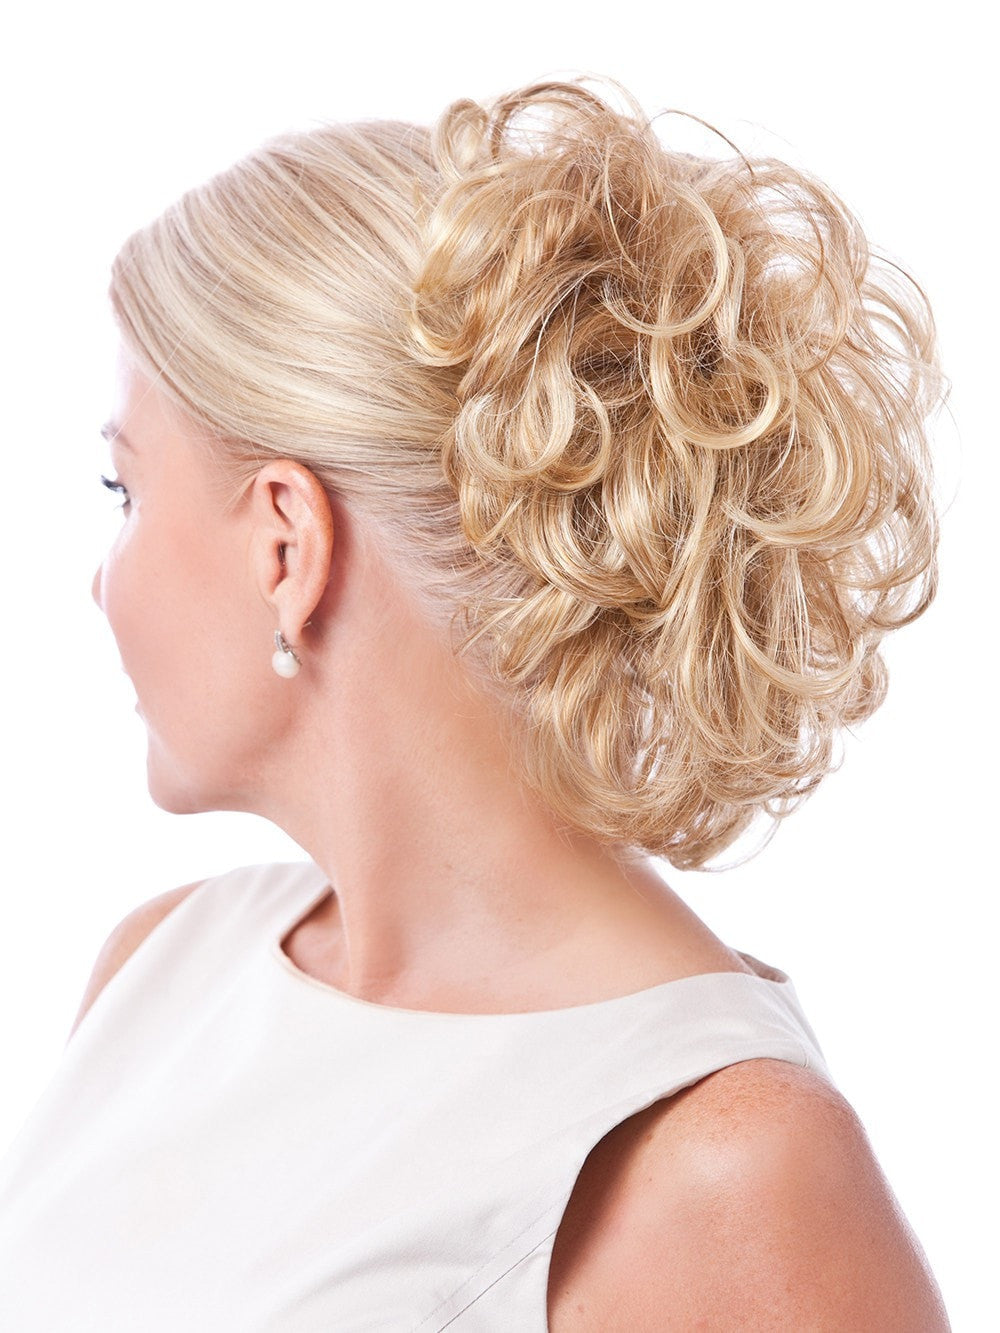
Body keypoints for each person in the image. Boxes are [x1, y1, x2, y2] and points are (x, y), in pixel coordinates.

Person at [0, 75, 950, 1328]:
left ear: (286, 543)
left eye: (124, 492)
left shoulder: (720, 1163)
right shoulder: (164, 968)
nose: (98, 580)